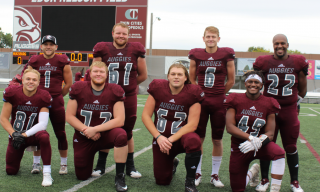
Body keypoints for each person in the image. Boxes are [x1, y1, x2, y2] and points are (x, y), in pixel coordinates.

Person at [91, 23, 147, 178]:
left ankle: (130, 166)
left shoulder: (135, 49)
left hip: (128, 96)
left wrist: (128, 87)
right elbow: (95, 72)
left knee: (128, 131)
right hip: (107, 96)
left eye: (124, 34)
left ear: (128, 35)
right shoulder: (102, 48)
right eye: (118, 33)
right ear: (112, 33)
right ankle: (100, 164)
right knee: (105, 128)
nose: (121, 36)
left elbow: (142, 75)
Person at [253, 34, 308, 192]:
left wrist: (294, 101)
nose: (279, 46)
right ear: (273, 45)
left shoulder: (297, 61)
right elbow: (256, 84)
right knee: (266, 144)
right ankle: (264, 180)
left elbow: (303, 88)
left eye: (282, 43)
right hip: (269, 110)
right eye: (276, 43)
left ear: (287, 45)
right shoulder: (263, 61)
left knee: (291, 146)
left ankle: (294, 182)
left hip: (289, 109)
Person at [66, 61, 129, 191]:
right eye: (95, 71)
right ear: (90, 73)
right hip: (84, 137)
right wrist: (86, 130)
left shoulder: (115, 90)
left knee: (122, 135)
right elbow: (69, 116)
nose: (98, 74)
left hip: (106, 135)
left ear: (107, 75)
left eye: (101, 72)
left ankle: (120, 176)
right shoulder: (78, 88)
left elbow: (120, 120)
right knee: (82, 175)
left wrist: (94, 129)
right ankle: (97, 165)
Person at [142, 63, 204, 192]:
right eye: (173, 74)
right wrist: (158, 137)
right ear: (168, 77)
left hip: (181, 139)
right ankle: (173, 162)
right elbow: (145, 116)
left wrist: (170, 139)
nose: (176, 77)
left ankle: (190, 182)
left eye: (180, 74)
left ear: (185, 78)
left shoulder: (193, 92)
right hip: (161, 140)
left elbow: (192, 124)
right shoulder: (158, 88)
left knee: (194, 140)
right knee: (162, 181)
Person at [188, 26, 235, 187]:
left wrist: (219, 94)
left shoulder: (226, 54)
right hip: (201, 102)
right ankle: (198, 172)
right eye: (208, 36)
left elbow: (231, 80)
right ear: (203, 38)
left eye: (213, 37)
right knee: (198, 138)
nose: (211, 39)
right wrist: (200, 94)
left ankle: (214, 174)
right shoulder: (196, 54)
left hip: (218, 102)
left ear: (218, 39)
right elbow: (192, 78)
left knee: (217, 139)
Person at [224, 70, 286, 192]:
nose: (253, 84)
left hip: (260, 146)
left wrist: (257, 141)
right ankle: (252, 173)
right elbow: (230, 127)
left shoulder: (269, 102)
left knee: (279, 153)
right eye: (250, 82)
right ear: (245, 83)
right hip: (240, 147)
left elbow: (270, 133)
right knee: (237, 189)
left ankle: (275, 189)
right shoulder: (235, 98)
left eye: (257, 82)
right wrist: (250, 138)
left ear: (262, 85)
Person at [21, 35, 73, 175]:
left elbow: (68, 83)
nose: (48, 46)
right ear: (41, 46)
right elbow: (27, 79)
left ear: (56, 47)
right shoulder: (35, 60)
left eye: (51, 44)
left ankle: (63, 164)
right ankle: (36, 162)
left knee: (60, 133)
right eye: (45, 44)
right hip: (37, 102)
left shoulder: (62, 60)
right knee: (37, 132)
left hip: (56, 100)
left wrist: (57, 95)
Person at [0, 66, 53, 187]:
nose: (31, 82)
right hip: (16, 135)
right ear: (22, 80)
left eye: (34, 80)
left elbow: (43, 124)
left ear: (38, 82)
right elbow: (3, 118)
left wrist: (24, 134)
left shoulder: (43, 95)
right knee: (11, 171)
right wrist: (14, 134)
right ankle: (28, 160)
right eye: (28, 79)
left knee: (44, 136)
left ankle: (47, 173)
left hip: (34, 135)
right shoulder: (12, 93)